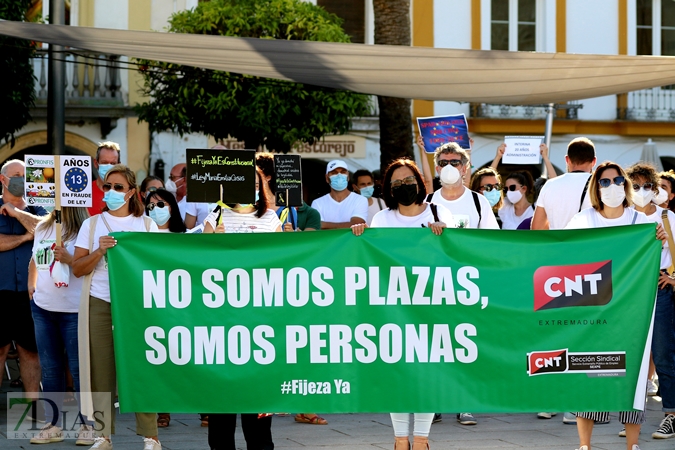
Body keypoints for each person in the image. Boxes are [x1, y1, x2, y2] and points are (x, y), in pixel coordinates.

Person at [351, 158, 451, 450]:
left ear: (419, 183)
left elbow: (455, 253)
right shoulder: (382, 219)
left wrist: (447, 234)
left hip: (431, 305)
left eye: (408, 180)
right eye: (396, 183)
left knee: (427, 372)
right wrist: (361, 237)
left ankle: (421, 439)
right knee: (397, 371)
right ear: (389, 189)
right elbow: (371, 257)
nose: (403, 186)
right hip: (392, 307)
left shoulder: (438, 211)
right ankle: (399, 439)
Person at [566, 161, 666, 450]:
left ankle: (631, 445)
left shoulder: (643, 222)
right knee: (591, 374)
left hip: (632, 312)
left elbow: (655, 265)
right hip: (593, 311)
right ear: (596, 187)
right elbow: (564, 254)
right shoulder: (584, 220)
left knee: (631, 377)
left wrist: (659, 240)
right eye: (605, 181)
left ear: (625, 184)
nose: (612, 186)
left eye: (617, 180)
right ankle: (585, 445)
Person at [72, 164, 161, 450]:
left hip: (137, 307)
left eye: (119, 187)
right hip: (100, 301)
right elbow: (77, 268)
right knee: (100, 370)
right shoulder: (91, 224)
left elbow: (160, 266)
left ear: (132, 192)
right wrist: (99, 251)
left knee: (141, 368)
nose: (111, 192)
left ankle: (151, 436)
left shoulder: (147, 225)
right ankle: (103, 435)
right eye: (107, 186)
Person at [203, 167, 279, 450]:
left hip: (260, 323)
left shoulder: (271, 219)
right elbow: (197, 263)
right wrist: (211, 242)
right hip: (221, 322)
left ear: (261, 186)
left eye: (253, 182)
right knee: (222, 407)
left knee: (258, 411)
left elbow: (282, 263)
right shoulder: (215, 217)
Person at [27, 206, 95, 445]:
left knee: (80, 371)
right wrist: (31, 285)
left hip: (75, 310)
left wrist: (70, 259)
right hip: (43, 308)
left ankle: (90, 425)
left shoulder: (88, 229)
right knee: (50, 369)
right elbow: (35, 258)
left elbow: (92, 266)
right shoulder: (44, 227)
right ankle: (52, 424)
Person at [626, 163, 675, 440]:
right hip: (631, 293)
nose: (642, 191)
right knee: (633, 358)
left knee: (664, 356)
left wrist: (673, 279)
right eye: (635, 186)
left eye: (647, 186)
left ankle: (670, 415)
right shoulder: (626, 218)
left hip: (660, 291)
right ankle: (632, 421)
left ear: (656, 189)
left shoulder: (668, 217)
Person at [0, 159, 46, 407]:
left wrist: (17, 213)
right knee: (0, 350)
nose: (21, 180)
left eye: (25, 176)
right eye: (16, 175)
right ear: (3, 179)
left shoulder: (38, 209)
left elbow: (45, 229)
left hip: (31, 293)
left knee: (31, 351)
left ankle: (33, 407)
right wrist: (26, 237)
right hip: (1, 291)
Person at [429, 142, 499, 231]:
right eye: (443, 163)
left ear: (464, 169)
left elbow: (491, 238)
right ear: (438, 169)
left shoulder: (480, 202)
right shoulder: (427, 202)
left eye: (455, 162)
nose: (449, 167)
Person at [531, 137, 596, 231]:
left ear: (567, 159)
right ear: (594, 161)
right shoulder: (599, 185)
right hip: (588, 243)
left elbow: (537, 228)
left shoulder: (549, 185)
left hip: (557, 244)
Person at [311, 160, 368, 229]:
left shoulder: (360, 200)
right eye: (334, 173)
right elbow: (317, 228)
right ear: (327, 178)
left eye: (343, 172)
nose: (339, 175)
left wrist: (325, 225)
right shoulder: (317, 203)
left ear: (348, 176)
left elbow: (357, 225)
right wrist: (348, 226)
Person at [166, 163, 209, 230]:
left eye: (172, 177)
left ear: (184, 179)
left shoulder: (196, 199)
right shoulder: (169, 199)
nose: (169, 181)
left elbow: (188, 227)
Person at [489, 142, 557, 180]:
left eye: (512, 188)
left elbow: (555, 183)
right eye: (506, 189)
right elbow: (487, 179)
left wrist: (545, 157)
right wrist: (498, 157)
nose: (508, 192)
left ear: (524, 188)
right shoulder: (504, 204)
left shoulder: (536, 204)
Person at [89, 141, 121, 216]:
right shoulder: (85, 192)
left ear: (119, 165)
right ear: (96, 163)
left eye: (113, 163)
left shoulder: (128, 194)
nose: (108, 166)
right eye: (104, 162)